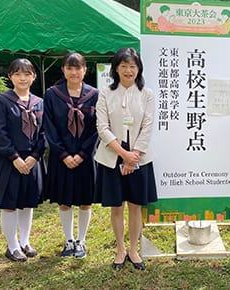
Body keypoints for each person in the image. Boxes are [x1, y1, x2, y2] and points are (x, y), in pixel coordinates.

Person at [94, 48, 157, 271]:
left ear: (138, 68)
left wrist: (134, 156)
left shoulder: (147, 93)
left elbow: (148, 126)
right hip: (113, 156)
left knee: (136, 206)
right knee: (117, 206)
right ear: (116, 69)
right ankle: (120, 249)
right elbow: (102, 127)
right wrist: (123, 154)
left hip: (140, 156)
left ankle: (133, 249)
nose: (128, 70)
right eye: (123, 66)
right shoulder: (106, 93)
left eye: (132, 66)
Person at [0, 58, 46, 262]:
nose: (23, 78)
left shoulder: (39, 102)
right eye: (18, 73)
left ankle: (25, 241)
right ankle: (12, 246)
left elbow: (44, 133)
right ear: (10, 76)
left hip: (31, 161)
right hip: (8, 161)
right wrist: (15, 157)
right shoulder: (1, 101)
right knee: (9, 203)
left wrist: (34, 157)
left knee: (27, 203)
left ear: (34, 77)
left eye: (27, 74)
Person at [43, 53, 99, 259]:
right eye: (69, 68)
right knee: (64, 200)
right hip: (61, 157)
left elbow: (97, 128)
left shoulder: (94, 94)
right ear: (63, 70)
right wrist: (64, 154)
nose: (74, 72)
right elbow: (49, 127)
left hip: (86, 157)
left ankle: (81, 240)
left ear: (85, 70)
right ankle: (68, 239)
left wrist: (84, 153)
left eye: (78, 68)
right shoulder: (52, 94)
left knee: (86, 200)